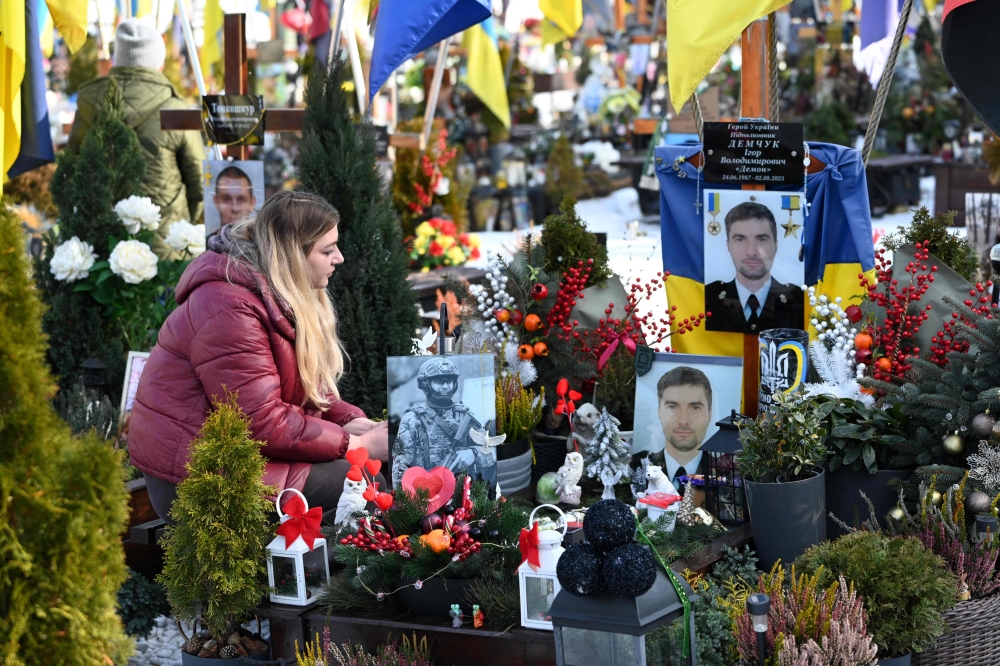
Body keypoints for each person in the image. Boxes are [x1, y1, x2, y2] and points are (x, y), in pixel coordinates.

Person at [128, 191, 388, 526]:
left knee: (381, 469)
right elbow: (262, 423)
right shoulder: (229, 308)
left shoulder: (271, 291)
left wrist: (351, 422)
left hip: (237, 456)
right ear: (293, 255)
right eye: (327, 250)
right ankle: (325, 578)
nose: (339, 257)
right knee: (363, 485)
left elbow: (299, 390)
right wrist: (358, 444)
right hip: (197, 476)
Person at [69, 18, 204, 261]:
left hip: (102, 249)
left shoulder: (89, 106)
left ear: (116, 60)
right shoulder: (177, 109)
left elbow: (73, 169)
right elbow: (201, 182)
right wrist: (184, 226)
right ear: (160, 63)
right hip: (168, 252)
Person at [391, 357, 495, 488]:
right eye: (439, 381)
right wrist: (405, 502)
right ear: (425, 384)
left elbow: (490, 453)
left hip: (463, 493)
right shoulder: (412, 418)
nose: (445, 386)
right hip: (426, 493)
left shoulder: (464, 416)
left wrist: (473, 453)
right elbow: (400, 466)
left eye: (449, 381)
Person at [704, 201, 804, 333]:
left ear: (776, 246)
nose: (751, 251)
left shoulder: (799, 300)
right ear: (728, 246)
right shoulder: (708, 297)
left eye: (761, 239)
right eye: (740, 239)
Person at [653, 366, 713, 489]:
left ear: (709, 415)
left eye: (695, 408)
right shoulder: (638, 468)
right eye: (673, 407)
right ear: (659, 413)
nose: (684, 421)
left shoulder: (727, 475)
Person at [212, 165, 258, 230]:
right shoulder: (204, 240)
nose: (235, 208)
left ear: (252, 203)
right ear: (216, 201)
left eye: (241, 199)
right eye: (226, 199)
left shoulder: (263, 240)